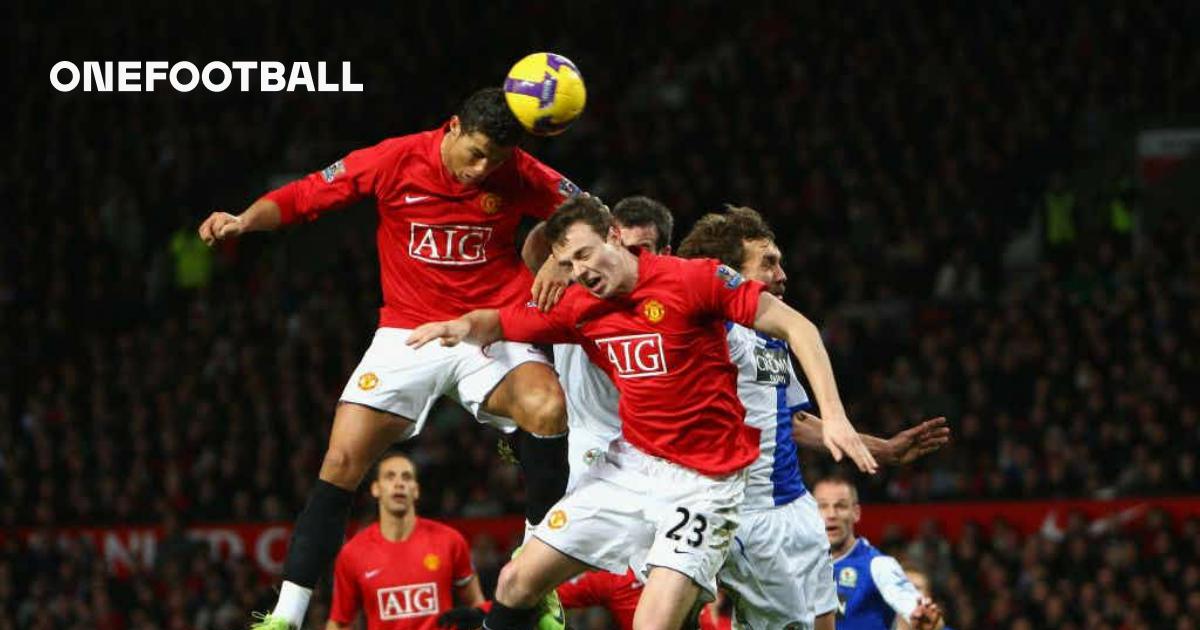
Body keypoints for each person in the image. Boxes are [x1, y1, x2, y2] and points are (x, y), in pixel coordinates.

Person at [199, 87, 576, 630]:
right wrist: (243, 220)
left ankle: (536, 579)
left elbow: (591, 215)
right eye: (474, 153)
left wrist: (563, 259)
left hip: (491, 327)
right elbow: (308, 194)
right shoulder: (396, 158)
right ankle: (285, 616)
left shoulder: (517, 171)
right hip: (408, 333)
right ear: (451, 126)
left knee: (547, 409)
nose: (480, 170)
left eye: (494, 160)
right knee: (341, 462)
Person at [407, 195, 877, 630]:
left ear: (613, 235)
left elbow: (797, 326)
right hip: (630, 469)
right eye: (569, 264)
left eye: (585, 254)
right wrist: (461, 325)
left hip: (704, 486)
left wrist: (835, 416)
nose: (580, 271)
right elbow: (503, 321)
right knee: (514, 582)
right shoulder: (580, 306)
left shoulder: (692, 279)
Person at [677, 206, 951, 630]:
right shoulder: (708, 334)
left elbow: (795, 421)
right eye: (768, 263)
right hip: (746, 511)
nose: (782, 275)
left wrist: (885, 448)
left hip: (796, 505)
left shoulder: (771, 335)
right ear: (727, 274)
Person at [327, 449, 483, 629]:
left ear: (416, 490)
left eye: (406, 477)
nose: (399, 483)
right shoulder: (352, 553)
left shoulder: (450, 541)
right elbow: (340, 622)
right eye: (390, 477)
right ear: (376, 489)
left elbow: (476, 606)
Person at [813, 478, 944, 630]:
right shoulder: (797, 565)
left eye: (840, 506)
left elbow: (911, 605)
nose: (831, 514)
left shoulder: (878, 565)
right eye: (822, 506)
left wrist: (923, 616)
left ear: (856, 513)